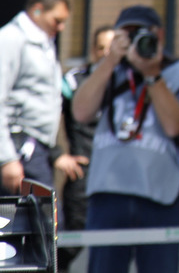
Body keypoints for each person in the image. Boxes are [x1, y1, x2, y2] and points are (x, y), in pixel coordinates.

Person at [72, 5, 179, 273]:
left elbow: (175, 126)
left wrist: (152, 74)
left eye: (142, 33)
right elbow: (81, 112)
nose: (136, 40)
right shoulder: (108, 70)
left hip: (160, 195)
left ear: (159, 34)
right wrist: (109, 62)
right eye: (128, 33)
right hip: (109, 192)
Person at [0, 0, 77, 194]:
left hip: (37, 149)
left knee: (43, 220)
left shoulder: (43, 43)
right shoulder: (12, 39)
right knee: (37, 221)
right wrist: (6, 158)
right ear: (37, 10)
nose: (60, 28)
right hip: (19, 147)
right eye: (57, 20)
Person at [57, 24, 115, 272]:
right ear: (93, 50)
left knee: (112, 247)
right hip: (83, 174)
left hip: (119, 177)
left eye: (111, 48)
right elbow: (45, 118)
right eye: (101, 48)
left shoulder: (131, 83)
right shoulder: (73, 81)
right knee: (72, 242)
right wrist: (57, 155)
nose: (105, 53)